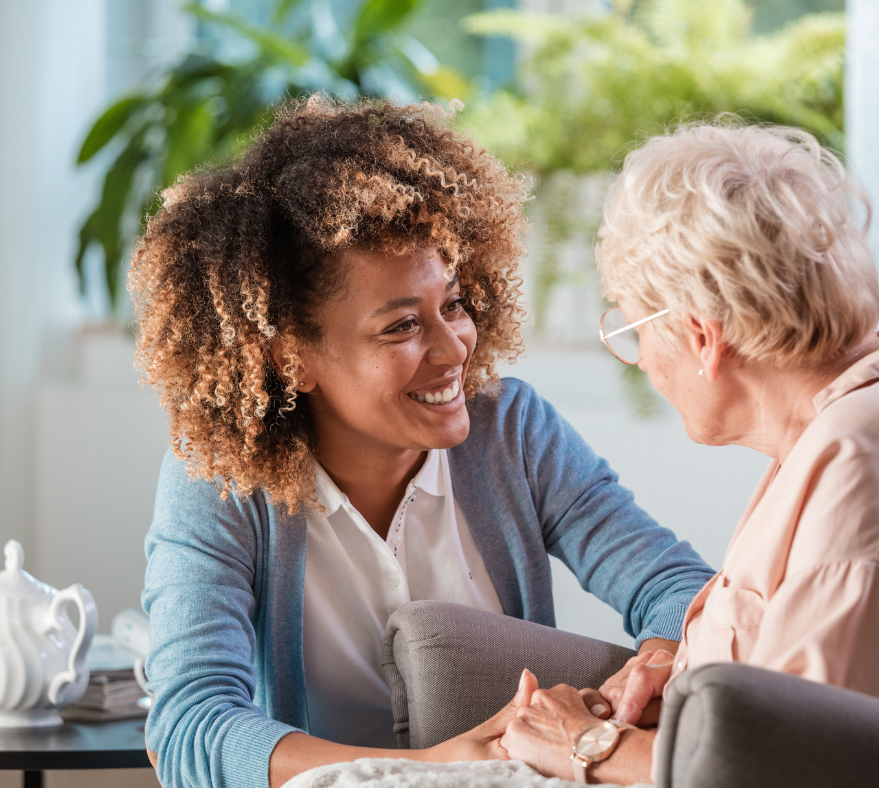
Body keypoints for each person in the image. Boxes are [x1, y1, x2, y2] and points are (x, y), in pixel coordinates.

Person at [134, 95, 714, 788]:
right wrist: (426, 771)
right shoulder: (220, 478)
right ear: (292, 357)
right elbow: (189, 728)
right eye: (401, 327)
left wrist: (655, 662)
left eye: (455, 305)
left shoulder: (513, 431)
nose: (453, 350)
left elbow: (681, 589)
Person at [499, 121, 879, 785]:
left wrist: (590, 745)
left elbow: (794, 766)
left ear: (702, 336)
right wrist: (682, 674)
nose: (641, 360)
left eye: (632, 326)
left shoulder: (865, 458)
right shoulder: (846, 428)